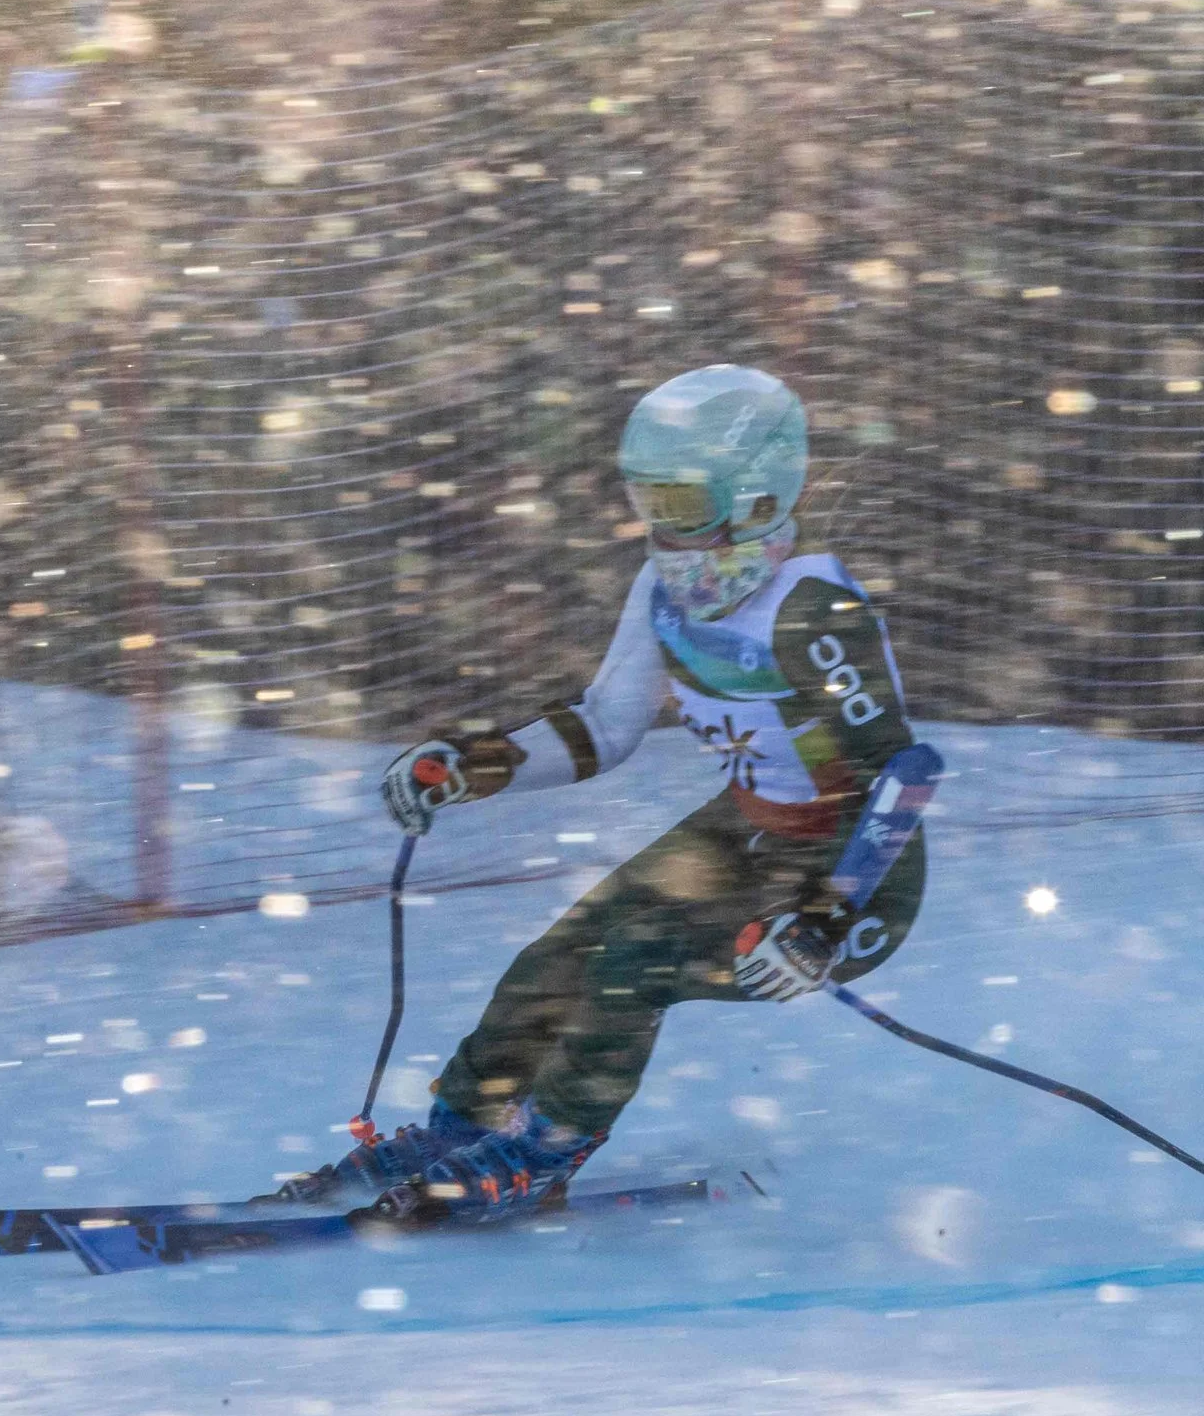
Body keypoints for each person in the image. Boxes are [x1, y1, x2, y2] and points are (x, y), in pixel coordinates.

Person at [272, 364, 943, 1222]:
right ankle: (462, 1131)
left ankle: (541, 1152)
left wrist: (826, 916)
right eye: (648, 502)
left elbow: (904, 772)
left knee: (634, 956)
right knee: (560, 955)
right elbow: (603, 725)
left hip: (854, 866)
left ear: (760, 501)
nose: (661, 530)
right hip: (746, 828)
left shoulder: (808, 608)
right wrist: (472, 765)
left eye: (681, 505)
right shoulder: (664, 592)